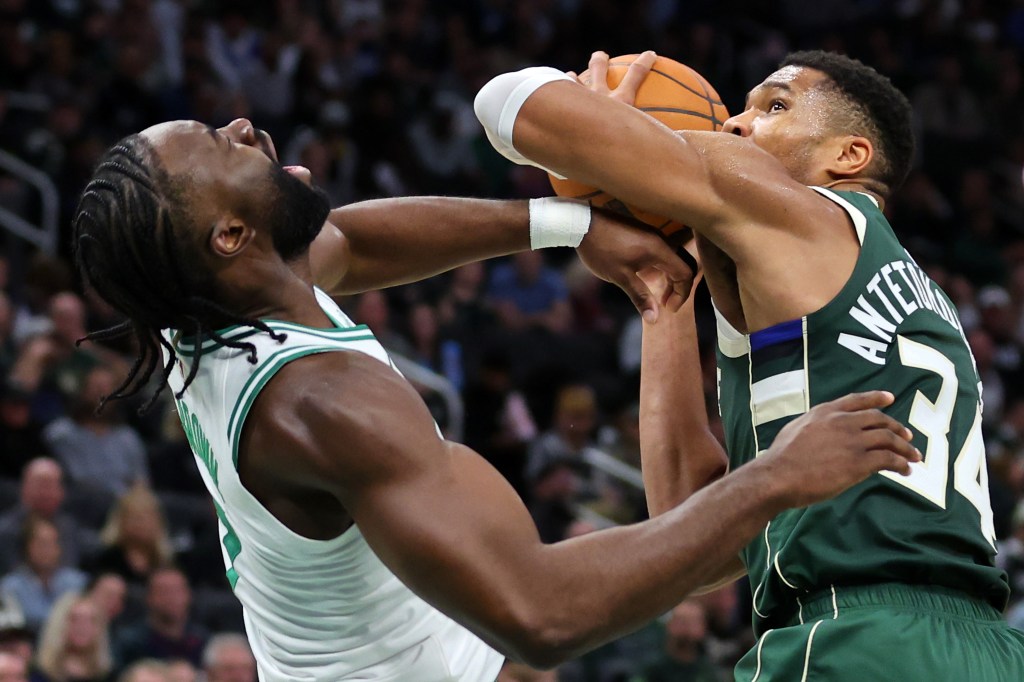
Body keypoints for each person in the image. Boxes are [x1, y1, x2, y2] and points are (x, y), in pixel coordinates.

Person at [71, 116, 918, 680]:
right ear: (230, 236)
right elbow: (540, 615)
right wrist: (776, 476)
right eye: (222, 149)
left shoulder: (209, 301)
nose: (242, 127)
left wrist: (568, 224)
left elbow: (352, 241)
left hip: (412, 644)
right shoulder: (322, 404)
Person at [475, 49, 1024, 679]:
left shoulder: (797, 206)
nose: (735, 124)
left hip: (853, 638)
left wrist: (592, 116)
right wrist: (662, 292)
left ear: (847, 157)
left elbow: (507, 103)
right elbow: (696, 529)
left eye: (776, 106)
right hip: (986, 651)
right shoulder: (906, 298)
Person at [34, 594, 112, 682]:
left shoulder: (105, 676)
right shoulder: (39, 672)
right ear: (59, 625)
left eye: (91, 620)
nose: (82, 627)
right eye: (75, 619)